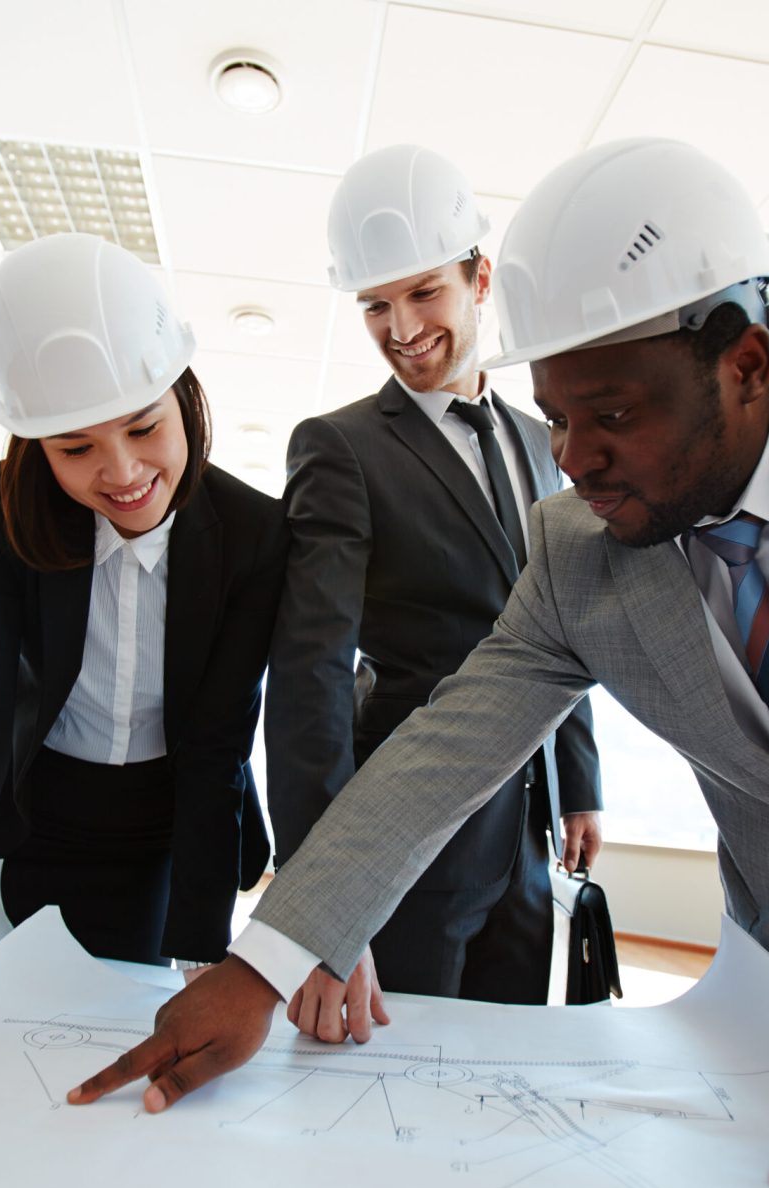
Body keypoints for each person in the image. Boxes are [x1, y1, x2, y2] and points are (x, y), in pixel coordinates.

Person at [67, 136, 769, 1188]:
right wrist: (268, 957)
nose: (574, 460)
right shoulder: (575, 551)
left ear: (743, 365)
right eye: (558, 419)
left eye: (612, 417)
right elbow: (433, 755)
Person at [0, 233, 288, 1073]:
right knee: (10, 1033)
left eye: (143, 428)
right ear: (36, 447)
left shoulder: (254, 534)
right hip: (40, 806)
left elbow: (218, 748)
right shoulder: (5, 509)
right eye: (77, 449)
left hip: (166, 817)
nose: (123, 472)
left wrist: (207, 957)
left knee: (125, 1022)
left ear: (184, 398)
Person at [264, 143, 602, 1042]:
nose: (400, 327)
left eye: (423, 293)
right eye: (375, 305)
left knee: (509, 1061)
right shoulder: (339, 448)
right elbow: (310, 674)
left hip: (525, 831)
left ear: (479, 276)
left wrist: (580, 785)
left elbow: (571, 617)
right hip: (404, 837)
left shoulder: (543, 441)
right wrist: (316, 905)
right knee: (397, 1078)